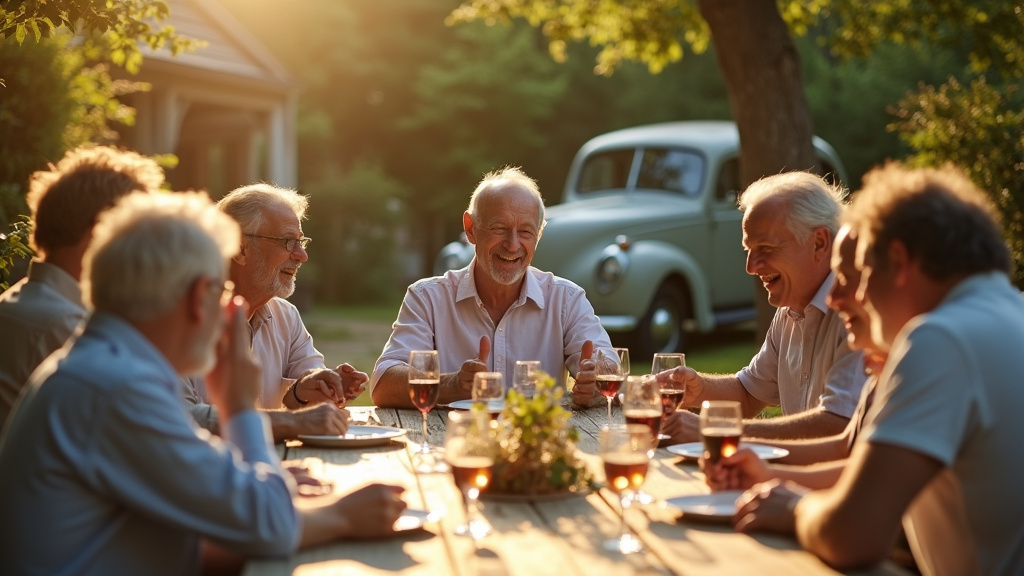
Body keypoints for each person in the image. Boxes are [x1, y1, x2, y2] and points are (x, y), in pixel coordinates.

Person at [0, 191, 405, 576]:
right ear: (199, 296)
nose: (229, 306)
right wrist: (239, 406)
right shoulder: (115, 387)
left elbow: (214, 518)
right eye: (223, 289)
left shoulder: (105, 363)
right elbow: (265, 520)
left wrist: (267, 489)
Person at [731, 163, 1024, 575]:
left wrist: (794, 507)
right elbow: (867, 467)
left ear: (900, 262)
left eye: (863, 274)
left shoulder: (942, 338)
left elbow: (852, 536)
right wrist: (773, 475)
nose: (848, 297)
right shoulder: (1004, 314)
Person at [370, 167, 614, 409]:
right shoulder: (427, 298)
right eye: (499, 228)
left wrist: (596, 386)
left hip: (537, 444)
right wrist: (450, 385)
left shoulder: (566, 299)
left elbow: (611, 369)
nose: (512, 244)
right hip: (452, 443)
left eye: (526, 232)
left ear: (538, 235)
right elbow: (383, 384)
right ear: (470, 228)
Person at [660, 171, 866, 441]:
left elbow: (839, 426)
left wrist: (715, 430)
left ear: (819, 242)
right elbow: (748, 395)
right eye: (748, 250)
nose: (750, 267)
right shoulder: (791, 309)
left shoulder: (857, 310)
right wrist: (698, 388)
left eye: (766, 248)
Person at [705, 224, 886, 490]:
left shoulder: (933, 346)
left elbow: (870, 499)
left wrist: (791, 507)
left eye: (846, 278)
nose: (832, 298)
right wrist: (764, 475)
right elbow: (847, 451)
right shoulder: (893, 358)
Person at [185, 183, 367, 440]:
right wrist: (291, 422)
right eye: (287, 241)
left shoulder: (286, 316)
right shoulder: (181, 320)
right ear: (239, 248)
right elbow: (179, 420)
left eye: (301, 241)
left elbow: (312, 402)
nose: (302, 255)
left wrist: (308, 390)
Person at [0, 145, 163, 429]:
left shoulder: (24, 303)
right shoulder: (65, 324)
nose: (146, 253)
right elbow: (144, 423)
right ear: (99, 232)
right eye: (137, 235)